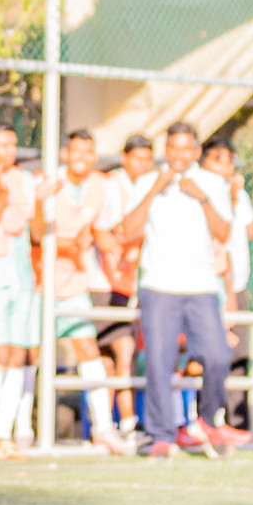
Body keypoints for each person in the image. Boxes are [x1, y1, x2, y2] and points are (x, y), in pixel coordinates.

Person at [118, 122, 236, 457]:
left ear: (197, 151)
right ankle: (161, 435)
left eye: (187, 148)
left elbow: (224, 233)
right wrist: (156, 188)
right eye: (174, 148)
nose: (180, 155)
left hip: (201, 286)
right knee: (157, 361)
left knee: (216, 355)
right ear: (165, 150)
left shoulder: (212, 183)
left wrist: (203, 199)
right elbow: (128, 230)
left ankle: (209, 419)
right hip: (158, 285)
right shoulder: (146, 182)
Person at [32, 130, 126, 453]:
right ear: (64, 154)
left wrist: (119, 254)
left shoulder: (101, 185)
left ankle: (104, 427)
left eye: (89, 152)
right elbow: (35, 235)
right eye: (77, 151)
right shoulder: (48, 182)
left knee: (89, 350)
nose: (83, 158)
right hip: (39, 283)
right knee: (30, 355)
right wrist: (70, 245)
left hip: (74, 284)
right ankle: (16, 430)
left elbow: (101, 232)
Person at [0, 122, 57, 460]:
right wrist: (2, 199)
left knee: (19, 353)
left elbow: (34, 231)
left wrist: (38, 202)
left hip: (22, 274)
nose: (10, 152)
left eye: (13, 145)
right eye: (3, 145)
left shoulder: (22, 179)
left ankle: (4, 432)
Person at [200, 136, 253, 435]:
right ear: (203, 159)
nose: (227, 163)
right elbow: (220, 244)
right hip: (214, 285)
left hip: (237, 286)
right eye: (219, 157)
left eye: (230, 157)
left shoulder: (234, 191)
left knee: (239, 356)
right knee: (210, 354)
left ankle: (236, 423)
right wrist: (227, 293)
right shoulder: (202, 188)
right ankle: (207, 420)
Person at [97, 135, 153, 438]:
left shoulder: (149, 187)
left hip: (131, 284)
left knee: (114, 357)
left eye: (148, 159)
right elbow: (104, 232)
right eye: (138, 158)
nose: (143, 165)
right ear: (125, 157)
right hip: (108, 283)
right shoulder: (111, 186)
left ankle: (105, 426)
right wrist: (123, 245)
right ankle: (125, 423)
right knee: (121, 351)